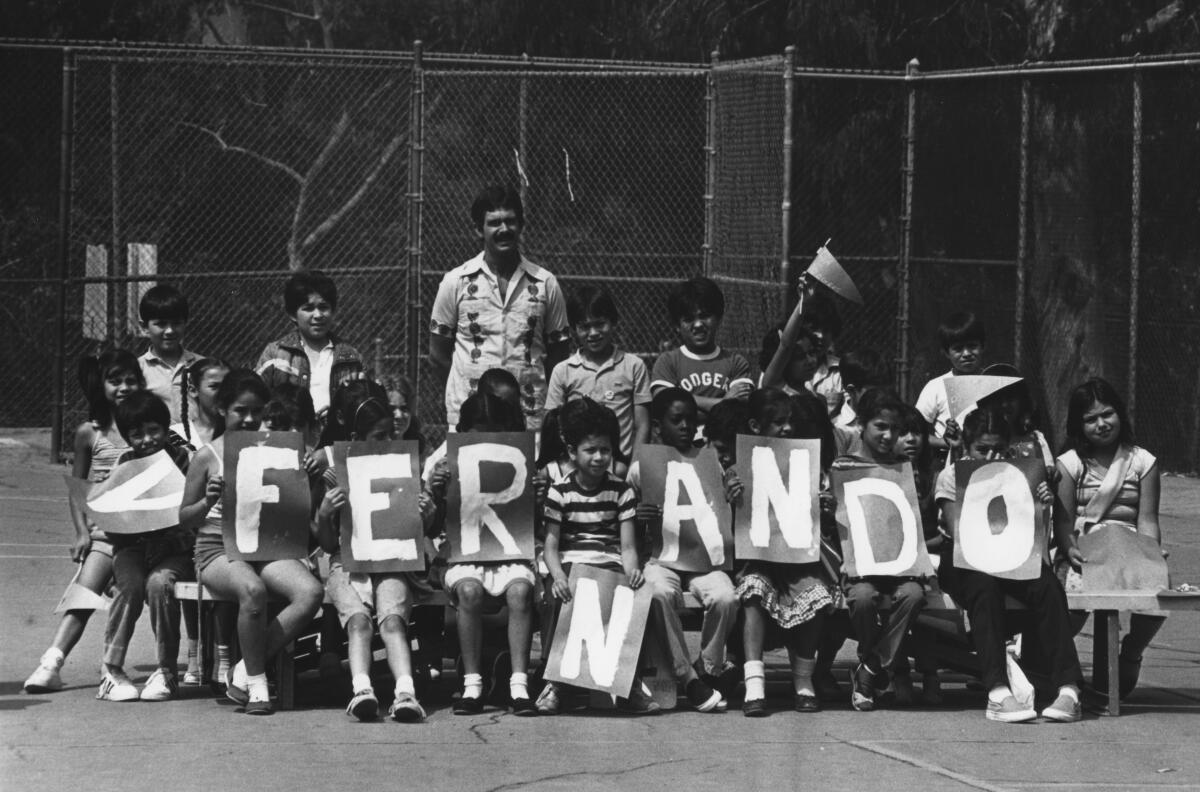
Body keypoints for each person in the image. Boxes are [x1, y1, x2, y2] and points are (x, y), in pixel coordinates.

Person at [178, 369, 324, 715]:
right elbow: (185, 517)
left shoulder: (276, 448)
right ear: (221, 411)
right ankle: (258, 683)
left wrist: (308, 471)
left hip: (266, 543)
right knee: (252, 591)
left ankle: (243, 669)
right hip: (217, 547)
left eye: (256, 411)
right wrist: (207, 501)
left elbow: (297, 505)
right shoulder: (207, 457)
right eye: (239, 411)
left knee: (310, 593)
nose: (249, 418)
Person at [938, 407, 1083, 723]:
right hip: (967, 560)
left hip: (1011, 553)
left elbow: (1032, 531)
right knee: (984, 588)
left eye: (999, 449)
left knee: (1047, 587)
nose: (991, 456)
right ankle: (997, 691)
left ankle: (1068, 688)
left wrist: (1041, 500)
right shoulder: (952, 477)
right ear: (965, 446)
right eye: (982, 449)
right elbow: (957, 529)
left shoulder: (1019, 474)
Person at [315, 384, 437, 722]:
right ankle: (362, 689)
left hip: (392, 563)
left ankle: (406, 692)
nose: (385, 443)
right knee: (358, 622)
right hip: (347, 564)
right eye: (377, 436)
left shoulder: (405, 470)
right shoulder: (337, 473)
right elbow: (326, 543)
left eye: (389, 435)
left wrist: (426, 514)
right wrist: (326, 512)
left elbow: (416, 532)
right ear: (357, 436)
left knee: (394, 621)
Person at [24, 350, 144, 695]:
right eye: (115, 380)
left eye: (131, 380)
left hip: (145, 537)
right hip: (106, 534)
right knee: (84, 593)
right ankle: (51, 663)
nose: (124, 387)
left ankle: (116, 668)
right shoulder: (89, 433)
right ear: (101, 385)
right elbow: (79, 490)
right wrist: (81, 532)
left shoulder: (149, 427)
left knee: (135, 594)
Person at [537, 397, 658, 715]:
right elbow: (550, 546)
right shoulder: (559, 491)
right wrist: (559, 576)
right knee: (559, 597)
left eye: (605, 450)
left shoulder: (622, 491)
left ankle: (630, 684)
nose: (599, 457)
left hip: (609, 561)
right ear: (573, 452)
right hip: (571, 561)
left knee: (633, 596)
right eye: (591, 450)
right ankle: (556, 682)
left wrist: (632, 572)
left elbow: (627, 547)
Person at [429, 391, 539, 716]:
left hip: (508, 554)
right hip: (465, 555)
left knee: (520, 591)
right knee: (469, 591)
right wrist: (437, 491)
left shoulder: (518, 458)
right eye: (478, 433)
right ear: (463, 432)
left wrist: (539, 492)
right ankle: (472, 683)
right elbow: (432, 524)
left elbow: (528, 518)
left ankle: (519, 685)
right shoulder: (446, 463)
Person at [1055, 378, 1164, 701]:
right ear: (1078, 424)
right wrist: (1069, 548)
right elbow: (1062, 520)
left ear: (1120, 414)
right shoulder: (1070, 463)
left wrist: (1151, 552)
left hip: (1130, 545)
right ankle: (1061, 663)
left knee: (1158, 594)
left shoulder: (1143, 461)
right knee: (1072, 601)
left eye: (1107, 414)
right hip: (1084, 547)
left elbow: (1147, 519)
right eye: (1091, 419)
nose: (1101, 424)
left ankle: (1131, 652)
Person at [429, 184, 570, 431]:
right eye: (494, 223)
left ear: (521, 225)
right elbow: (438, 355)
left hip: (528, 419)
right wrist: (466, 392)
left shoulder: (545, 283)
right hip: (472, 421)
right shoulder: (456, 282)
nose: (504, 229)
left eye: (510, 221)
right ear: (478, 230)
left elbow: (559, 356)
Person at [732, 388, 838, 716]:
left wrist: (827, 506)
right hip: (757, 558)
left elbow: (824, 518)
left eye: (790, 422)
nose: (787, 429)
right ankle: (754, 683)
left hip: (798, 560)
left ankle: (803, 680)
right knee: (753, 592)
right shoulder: (740, 466)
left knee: (818, 595)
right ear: (755, 426)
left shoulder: (808, 465)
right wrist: (732, 496)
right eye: (777, 423)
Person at [627, 387, 732, 712]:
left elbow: (723, 514)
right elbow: (625, 519)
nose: (687, 426)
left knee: (726, 597)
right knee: (656, 591)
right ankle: (686, 674)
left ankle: (708, 668)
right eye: (677, 420)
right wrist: (640, 519)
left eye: (691, 419)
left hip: (704, 562)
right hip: (663, 558)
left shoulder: (710, 462)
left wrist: (733, 492)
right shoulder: (641, 468)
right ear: (658, 426)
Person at [834, 388, 927, 712]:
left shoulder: (904, 468)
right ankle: (876, 667)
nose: (889, 436)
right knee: (861, 599)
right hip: (860, 565)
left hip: (901, 566)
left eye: (895, 429)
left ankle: (869, 668)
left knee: (914, 595)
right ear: (861, 424)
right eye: (881, 427)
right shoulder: (845, 466)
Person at [100, 391, 194, 702]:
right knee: (129, 586)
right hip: (133, 547)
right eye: (136, 434)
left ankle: (166, 670)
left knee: (160, 585)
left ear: (166, 428)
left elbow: (195, 515)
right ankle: (111, 669)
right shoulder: (124, 462)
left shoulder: (185, 459)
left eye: (153, 430)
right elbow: (113, 519)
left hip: (176, 548)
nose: (146, 439)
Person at [545, 285, 651, 462]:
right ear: (573, 330)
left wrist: (634, 468)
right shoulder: (563, 370)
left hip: (619, 469)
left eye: (600, 324)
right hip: (576, 471)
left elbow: (643, 425)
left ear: (614, 321)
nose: (593, 333)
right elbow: (551, 426)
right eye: (585, 327)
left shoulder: (634, 366)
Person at [256, 269, 364, 424]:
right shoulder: (275, 354)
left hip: (334, 443)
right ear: (293, 314)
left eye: (323, 307)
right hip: (287, 440)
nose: (318, 315)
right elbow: (255, 401)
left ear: (333, 311)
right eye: (308, 308)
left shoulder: (351, 358)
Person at [650, 276, 753, 433]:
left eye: (704, 316)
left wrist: (685, 402)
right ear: (677, 325)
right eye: (689, 319)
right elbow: (665, 411)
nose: (698, 325)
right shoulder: (667, 362)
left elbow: (738, 413)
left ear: (718, 318)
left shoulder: (736, 363)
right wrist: (723, 403)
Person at [915, 311, 987, 456]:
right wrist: (944, 442)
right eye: (958, 349)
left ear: (983, 346)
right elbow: (914, 431)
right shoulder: (935, 387)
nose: (966, 353)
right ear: (946, 353)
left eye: (972, 346)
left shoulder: (995, 382)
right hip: (948, 464)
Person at [137, 285, 202, 425]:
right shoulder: (136, 370)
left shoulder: (202, 366)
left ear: (185, 323)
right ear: (144, 327)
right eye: (161, 324)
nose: (170, 331)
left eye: (176, 323)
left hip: (199, 444)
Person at [173, 357, 229, 449]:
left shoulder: (245, 432)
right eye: (214, 386)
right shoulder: (177, 435)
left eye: (228, 385)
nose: (224, 392)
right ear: (193, 390)